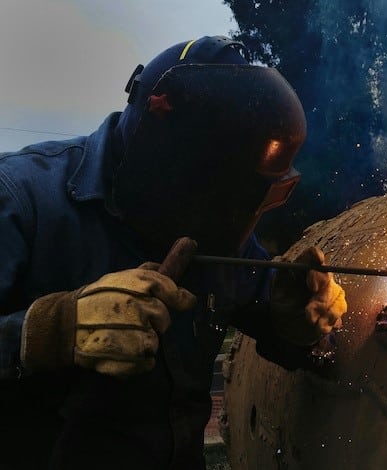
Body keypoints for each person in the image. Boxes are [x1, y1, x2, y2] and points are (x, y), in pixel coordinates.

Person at [0, 35, 347, 469]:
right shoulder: (22, 201)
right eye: (226, 200)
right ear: (174, 169)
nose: (239, 221)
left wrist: (303, 326)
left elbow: (311, 344)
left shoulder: (219, 236)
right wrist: (47, 333)